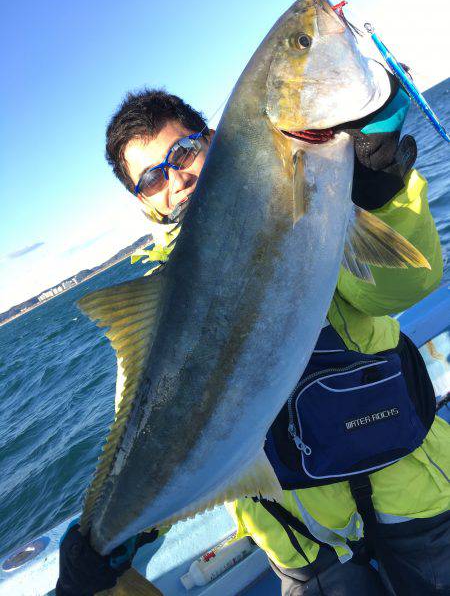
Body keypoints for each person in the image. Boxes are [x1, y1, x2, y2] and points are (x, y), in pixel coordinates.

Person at [57, 80, 450, 596]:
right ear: (143, 201)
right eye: (152, 178)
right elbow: (162, 437)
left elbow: (406, 284)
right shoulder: (157, 303)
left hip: (412, 499)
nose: (175, 178)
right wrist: (109, 537)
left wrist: (384, 195)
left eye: (184, 151)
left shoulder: (299, 203)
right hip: (300, 548)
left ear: (214, 138)